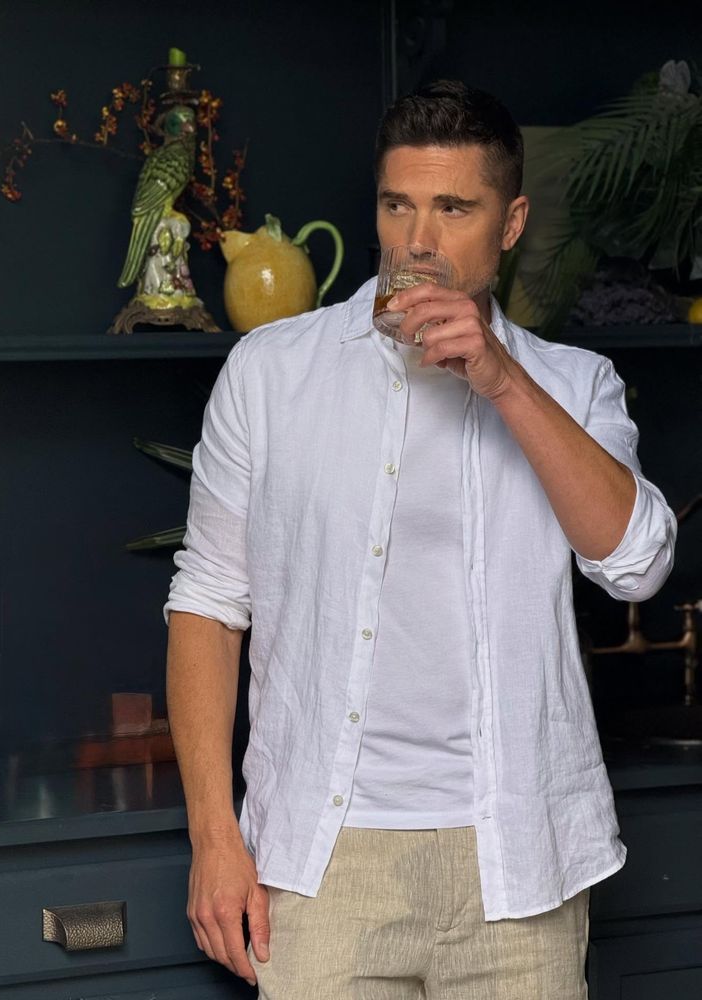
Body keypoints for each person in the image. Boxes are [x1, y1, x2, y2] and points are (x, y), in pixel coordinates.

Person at [164, 80, 676, 999]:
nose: (418, 241)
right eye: (397, 206)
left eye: (454, 209)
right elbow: (207, 602)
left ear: (511, 223)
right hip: (323, 865)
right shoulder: (270, 374)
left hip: (519, 864)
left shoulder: (573, 382)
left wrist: (502, 379)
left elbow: (636, 564)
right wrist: (213, 838)